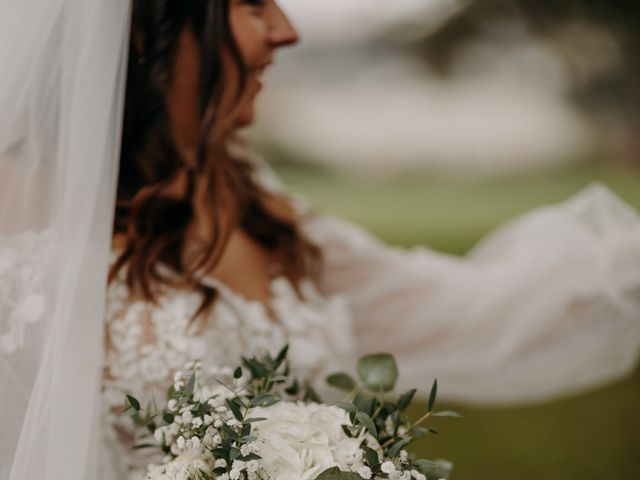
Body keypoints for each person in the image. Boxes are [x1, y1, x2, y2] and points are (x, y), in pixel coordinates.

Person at [1, 1, 640, 479]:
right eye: (251, 2)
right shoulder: (15, 216)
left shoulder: (261, 212)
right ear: (142, 28)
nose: (286, 29)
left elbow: (482, 311)